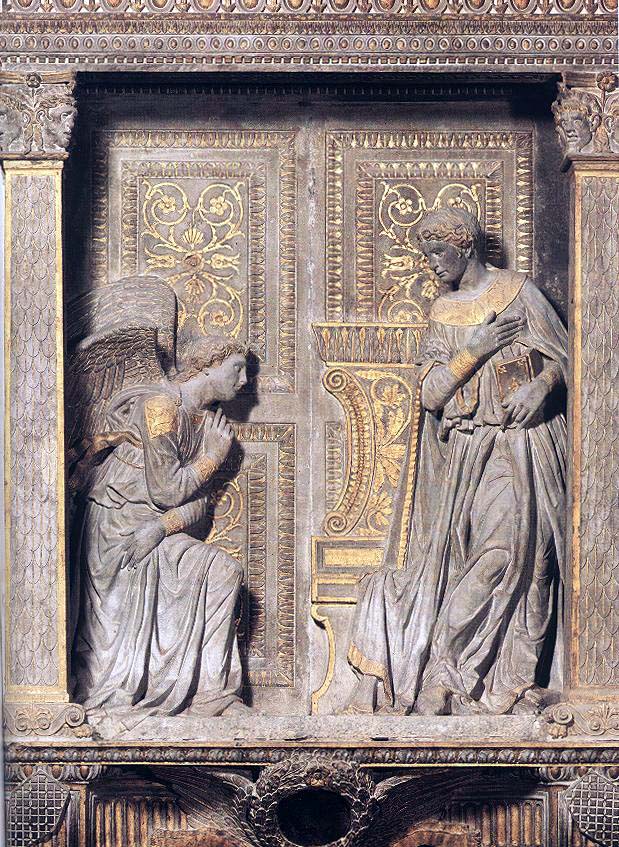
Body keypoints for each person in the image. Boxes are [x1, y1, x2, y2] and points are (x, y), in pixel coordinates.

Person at [346, 207, 567, 716]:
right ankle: (446, 671)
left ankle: (514, 682)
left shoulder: (520, 292)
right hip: (473, 451)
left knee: (533, 562)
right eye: (426, 256)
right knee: (494, 556)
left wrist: (541, 386)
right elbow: (430, 393)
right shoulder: (443, 313)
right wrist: (476, 349)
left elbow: (570, 356)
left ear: (465, 246)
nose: (432, 264)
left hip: (528, 445)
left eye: (438, 252)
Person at [72, 333, 251, 722]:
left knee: (223, 570)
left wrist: (160, 527)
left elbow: (198, 504)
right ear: (208, 366)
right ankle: (120, 687)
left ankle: (213, 695)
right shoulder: (160, 406)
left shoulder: (205, 423)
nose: (244, 382)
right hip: (118, 529)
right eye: (237, 369)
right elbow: (169, 489)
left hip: (152, 532)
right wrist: (212, 458)